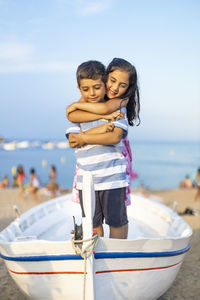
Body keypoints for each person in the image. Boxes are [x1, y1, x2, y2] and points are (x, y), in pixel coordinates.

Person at [66, 60, 131, 239]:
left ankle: (117, 257)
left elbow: (114, 137)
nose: (92, 93)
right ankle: (98, 256)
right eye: (86, 89)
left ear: (104, 84)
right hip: (86, 180)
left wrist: (84, 137)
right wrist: (101, 127)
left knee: (117, 221)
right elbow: (73, 140)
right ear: (79, 89)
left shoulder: (118, 107)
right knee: (93, 223)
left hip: (112, 178)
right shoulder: (78, 115)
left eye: (97, 87)